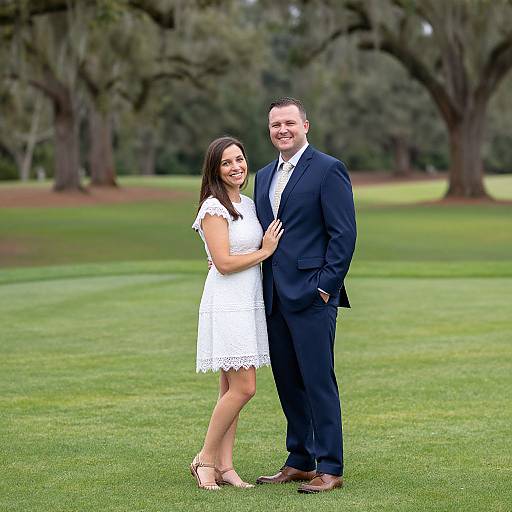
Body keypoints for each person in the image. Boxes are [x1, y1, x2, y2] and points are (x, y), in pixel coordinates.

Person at [253, 98, 357, 493]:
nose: (282, 129)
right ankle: (300, 458)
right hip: (274, 298)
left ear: (305, 126)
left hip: (314, 296)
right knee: (287, 382)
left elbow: (343, 236)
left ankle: (330, 466)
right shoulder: (263, 176)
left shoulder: (329, 170)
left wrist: (326, 288)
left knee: (318, 381)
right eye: (276, 124)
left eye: (289, 123)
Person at [190, 136, 284, 490]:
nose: (236, 167)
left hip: (248, 302)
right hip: (227, 303)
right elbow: (225, 263)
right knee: (244, 388)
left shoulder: (246, 202)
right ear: (215, 169)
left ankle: (225, 467)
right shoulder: (212, 208)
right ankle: (205, 459)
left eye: (240, 160)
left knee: (230, 388)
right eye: (227, 162)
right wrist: (266, 251)